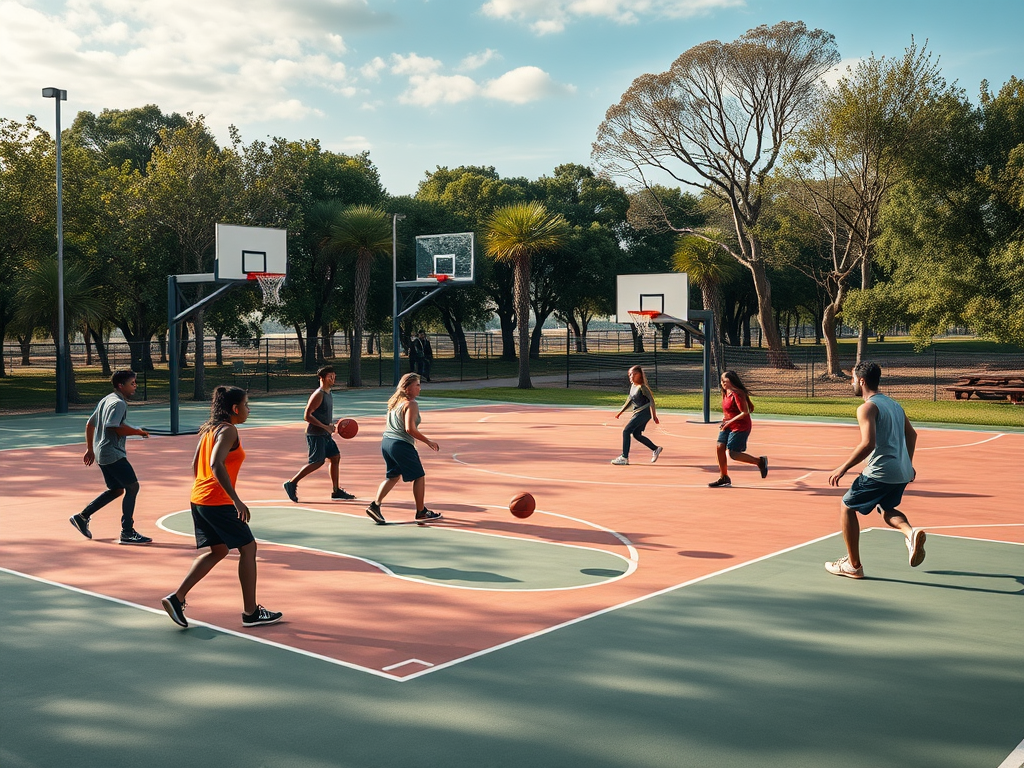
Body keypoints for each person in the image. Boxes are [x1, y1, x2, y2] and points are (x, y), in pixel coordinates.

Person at [161, 386, 282, 628]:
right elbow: (215, 463)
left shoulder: (210, 429)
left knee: (218, 551)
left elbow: (196, 463)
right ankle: (251, 613)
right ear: (235, 409)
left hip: (200, 498)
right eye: (246, 405)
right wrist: (235, 499)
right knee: (249, 548)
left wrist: (205, 488)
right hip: (216, 501)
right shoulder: (228, 431)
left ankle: (177, 598)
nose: (249, 409)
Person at [825, 361, 925, 579]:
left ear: (861, 381)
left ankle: (854, 565)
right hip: (901, 472)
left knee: (847, 507)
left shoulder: (867, 407)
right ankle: (911, 533)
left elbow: (868, 443)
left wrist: (843, 467)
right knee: (886, 508)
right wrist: (907, 462)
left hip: (881, 471)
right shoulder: (895, 405)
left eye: (852, 379)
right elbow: (912, 435)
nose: (851, 383)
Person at [70, 369, 153, 545]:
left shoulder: (107, 399)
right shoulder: (119, 403)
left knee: (117, 489)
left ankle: (82, 517)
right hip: (113, 453)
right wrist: (137, 432)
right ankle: (127, 532)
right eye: (132, 383)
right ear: (121, 385)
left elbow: (89, 424)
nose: (135, 386)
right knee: (132, 487)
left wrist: (90, 449)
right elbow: (112, 427)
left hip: (102, 453)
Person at [365, 373, 442, 525]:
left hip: (387, 443)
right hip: (400, 445)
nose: (420, 388)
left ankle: (375, 505)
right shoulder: (411, 404)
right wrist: (428, 441)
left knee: (393, 477)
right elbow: (409, 429)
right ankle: (421, 511)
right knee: (419, 476)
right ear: (408, 389)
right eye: (417, 385)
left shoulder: (394, 403)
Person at [282, 366, 355, 503]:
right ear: (321, 378)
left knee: (335, 457)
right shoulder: (319, 394)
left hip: (324, 433)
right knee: (317, 461)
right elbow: (307, 416)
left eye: (334, 376)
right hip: (315, 434)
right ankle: (291, 483)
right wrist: (324, 427)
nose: (333, 379)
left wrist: (335, 424)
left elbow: (323, 415)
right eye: (330, 376)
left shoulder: (328, 393)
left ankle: (336, 490)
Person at [708, 370, 769, 487]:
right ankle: (724, 476)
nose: (722, 383)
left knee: (733, 454)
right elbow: (728, 410)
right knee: (720, 447)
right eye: (721, 381)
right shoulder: (725, 393)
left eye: (725, 381)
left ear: (731, 381)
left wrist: (729, 422)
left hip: (740, 426)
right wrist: (724, 420)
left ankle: (760, 461)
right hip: (727, 424)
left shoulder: (738, 393)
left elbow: (744, 412)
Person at [611, 365, 662, 465]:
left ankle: (624, 457)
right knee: (636, 434)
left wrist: (654, 416)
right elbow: (629, 401)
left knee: (626, 431)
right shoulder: (633, 387)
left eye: (634, 374)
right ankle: (655, 449)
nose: (631, 377)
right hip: (638, 414)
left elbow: (652, 401)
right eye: (630, 375)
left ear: (640, 375)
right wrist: (620, 412)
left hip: (643, 414)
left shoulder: (642, 387)